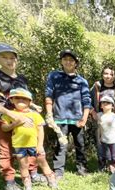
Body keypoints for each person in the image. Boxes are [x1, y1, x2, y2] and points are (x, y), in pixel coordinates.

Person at [0, 43, 44, 190]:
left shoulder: (22, 79)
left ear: (17, 60)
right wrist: (12, 115)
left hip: (25, 118)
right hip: (5, 118)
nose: (9, 61)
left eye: (12, 58)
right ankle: (10, 182)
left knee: (30, 144)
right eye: (4, 57)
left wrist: (34, 106)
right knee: (6, 150)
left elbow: (22, 97)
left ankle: (32, 174)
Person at [0, 88, 58, 190]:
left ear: (30, 102)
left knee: (42, 162)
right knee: (23, 165)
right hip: (19, 145)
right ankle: (27, 185)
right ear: (11, 100)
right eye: (17, 98)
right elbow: (4, 127)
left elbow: (40, 131)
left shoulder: (35, 114)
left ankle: (52, 180)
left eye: (24, 99)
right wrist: (15, 123)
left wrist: (40, 145)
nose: (21, 100)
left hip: (35, 144)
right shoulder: (10, 114)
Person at [45, 49, 91, 178]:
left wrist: (84, 118)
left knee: (80, 144)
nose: (68, 62)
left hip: (77, 118)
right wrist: (49, 115)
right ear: (61, 61)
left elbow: (86, 100)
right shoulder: (54, 76)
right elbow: (49, 95)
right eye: (65, 59)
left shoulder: (82, 81)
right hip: (59, 117)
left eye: (71, 60)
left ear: (76, 63)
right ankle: (58, 171)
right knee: (61, 145)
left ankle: (82, 168)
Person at [90, 66, 115, 170]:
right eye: (106, 73)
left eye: (111, 74)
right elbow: (87, 100)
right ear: (102, 74)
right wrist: (93, 112)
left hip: (114, 119)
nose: (108, 76)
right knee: (100, 142)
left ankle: (114, 165)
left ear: (114, 76)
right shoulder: (96, 87)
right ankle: (102, 165)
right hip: (101, 118)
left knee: (114, 143)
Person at [97, 96, 115, 173]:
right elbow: (99, 127)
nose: (105, 104)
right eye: (103, 103)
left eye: (108, 103)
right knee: (107, 156)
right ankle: (110, 168)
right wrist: (98, 138)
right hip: (105, 140)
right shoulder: (99, 115)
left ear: (112, 106)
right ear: (101, 106)